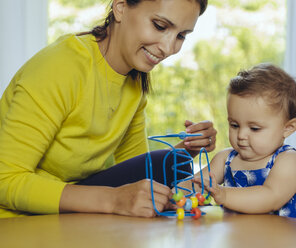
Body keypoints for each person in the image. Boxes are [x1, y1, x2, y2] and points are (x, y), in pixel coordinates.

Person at [0, 0, 217, 218]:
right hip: (17, 219)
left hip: (75, 213)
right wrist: (112, 200)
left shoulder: (134, 81)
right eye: (160, 26)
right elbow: (4, 179)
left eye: (181, 36)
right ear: (120, 7)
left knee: (171, 163)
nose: (169, 48)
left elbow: (139, 173)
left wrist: (188, 147)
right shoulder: (61, 68)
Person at [183, 63, 296, 222]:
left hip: (291, 238)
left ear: (288, 128)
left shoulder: (288, 160)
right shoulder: (225, 159)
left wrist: (224, 194)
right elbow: (197, 183)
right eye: (235, 125)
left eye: (255, 128)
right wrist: (174, 194)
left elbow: (270, 197)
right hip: (248, 235)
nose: (241, 135)